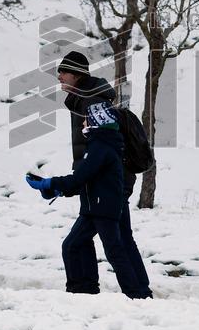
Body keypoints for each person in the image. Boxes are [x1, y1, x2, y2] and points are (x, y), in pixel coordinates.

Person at [26, 101, 148, 299]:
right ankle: (82, 291)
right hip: (94, 207)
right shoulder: (100, 145)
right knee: (72, 245)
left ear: (96, 122)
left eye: (86, 119)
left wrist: (49, 183)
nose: (82, 123)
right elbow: (87, 180)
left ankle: (136, 295)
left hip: (103, 208)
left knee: (114, 252)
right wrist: (57, 189)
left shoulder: (101, 147)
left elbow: (79, 177)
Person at [56, 52, 152, 297]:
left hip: (107, 184)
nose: (59, 76)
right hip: (103, 182)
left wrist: (86, 179)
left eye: (63, 72)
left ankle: (125, 291)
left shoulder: (93, 103)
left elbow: (105, 147)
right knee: (117, 239)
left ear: (76, 75)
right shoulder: (84, 100)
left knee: (108, 243)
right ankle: (135, 290)